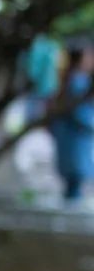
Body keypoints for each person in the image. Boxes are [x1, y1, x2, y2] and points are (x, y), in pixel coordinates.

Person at [49, 44, 94, 203]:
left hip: (71, 140)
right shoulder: (77, 82)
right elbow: (81, 113)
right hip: (76, 141)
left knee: (73, 185)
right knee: (75, 184)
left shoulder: (70, 80)